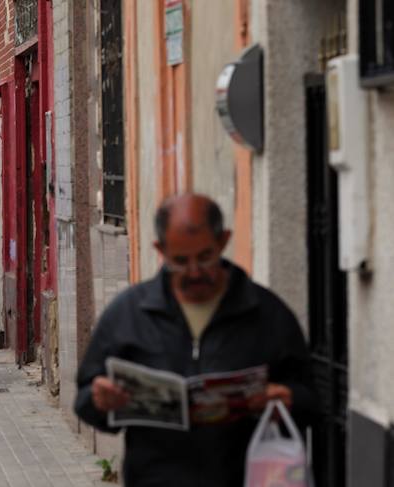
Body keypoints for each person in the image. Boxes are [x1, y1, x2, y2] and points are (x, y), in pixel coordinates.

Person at [73, 193, 317, 487]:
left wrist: (288, 399)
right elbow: (85, 399)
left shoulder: (267, 313)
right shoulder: (128, 314)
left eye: (205, 257)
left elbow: (313, 398)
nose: (194, 272)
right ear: (160, 249)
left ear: (223, 241)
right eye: (180, 261)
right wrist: (101, 401)